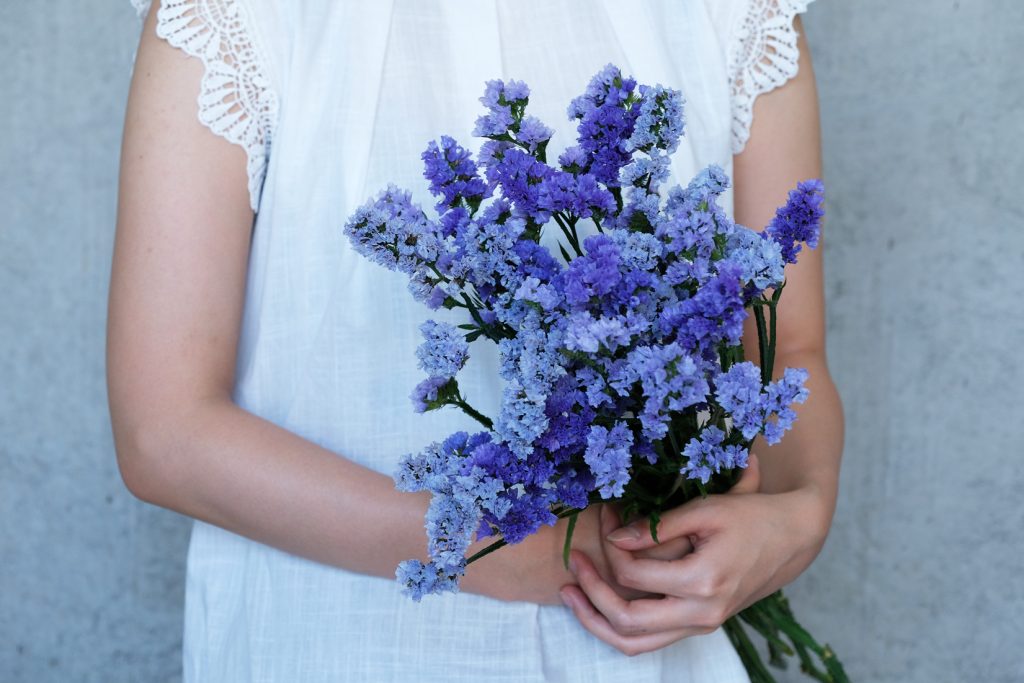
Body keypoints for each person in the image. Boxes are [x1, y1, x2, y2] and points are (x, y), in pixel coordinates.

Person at [108, 0, 843, 680]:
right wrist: (505, 550)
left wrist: (794, 524)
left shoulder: (730, 12)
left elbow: (788, 341)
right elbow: (164, 432)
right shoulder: (244, 15)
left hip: (646, 650)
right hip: (342, 644)